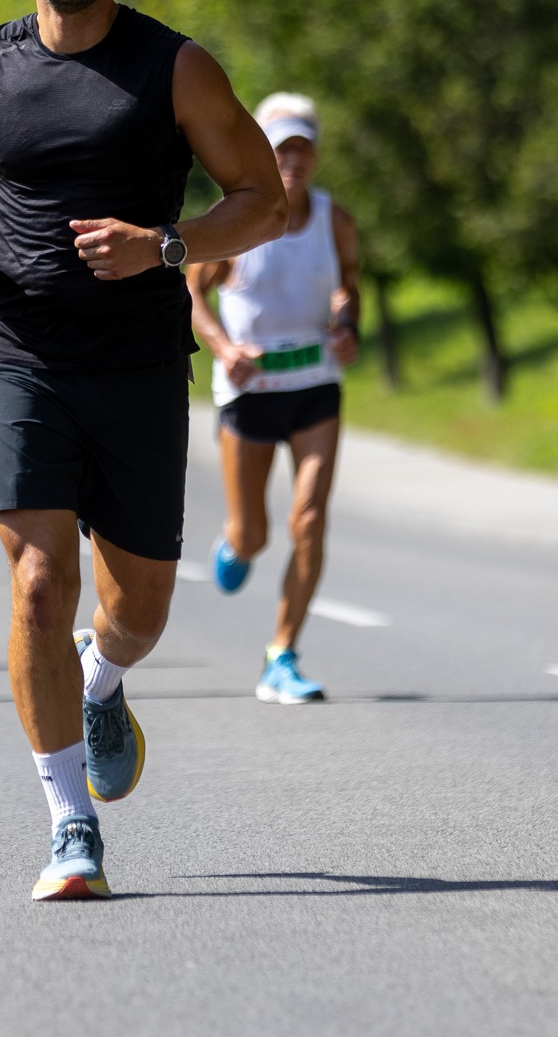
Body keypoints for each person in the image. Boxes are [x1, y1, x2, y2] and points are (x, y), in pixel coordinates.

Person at [0, 0, 288, 900]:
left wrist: (165, 245)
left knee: (141, 611)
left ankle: (103, 674)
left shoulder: (175, 68)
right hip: (21, 351)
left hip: (140, 364)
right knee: (37, 579)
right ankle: (71, 825)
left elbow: (265, 199)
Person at [189, 94, 360, 705]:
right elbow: (192, 294)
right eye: (282, 148)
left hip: (314, 385)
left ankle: (281, 654)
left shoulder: (334, 221)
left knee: (309, 520)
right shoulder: (238, 219)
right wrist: (223, 348)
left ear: (315, 157)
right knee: (255, 534)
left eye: (303, 149)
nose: (293, 160)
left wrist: (348, 326)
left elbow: (348, 287)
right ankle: (236, 542)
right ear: (262, 151)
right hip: (250, 390)